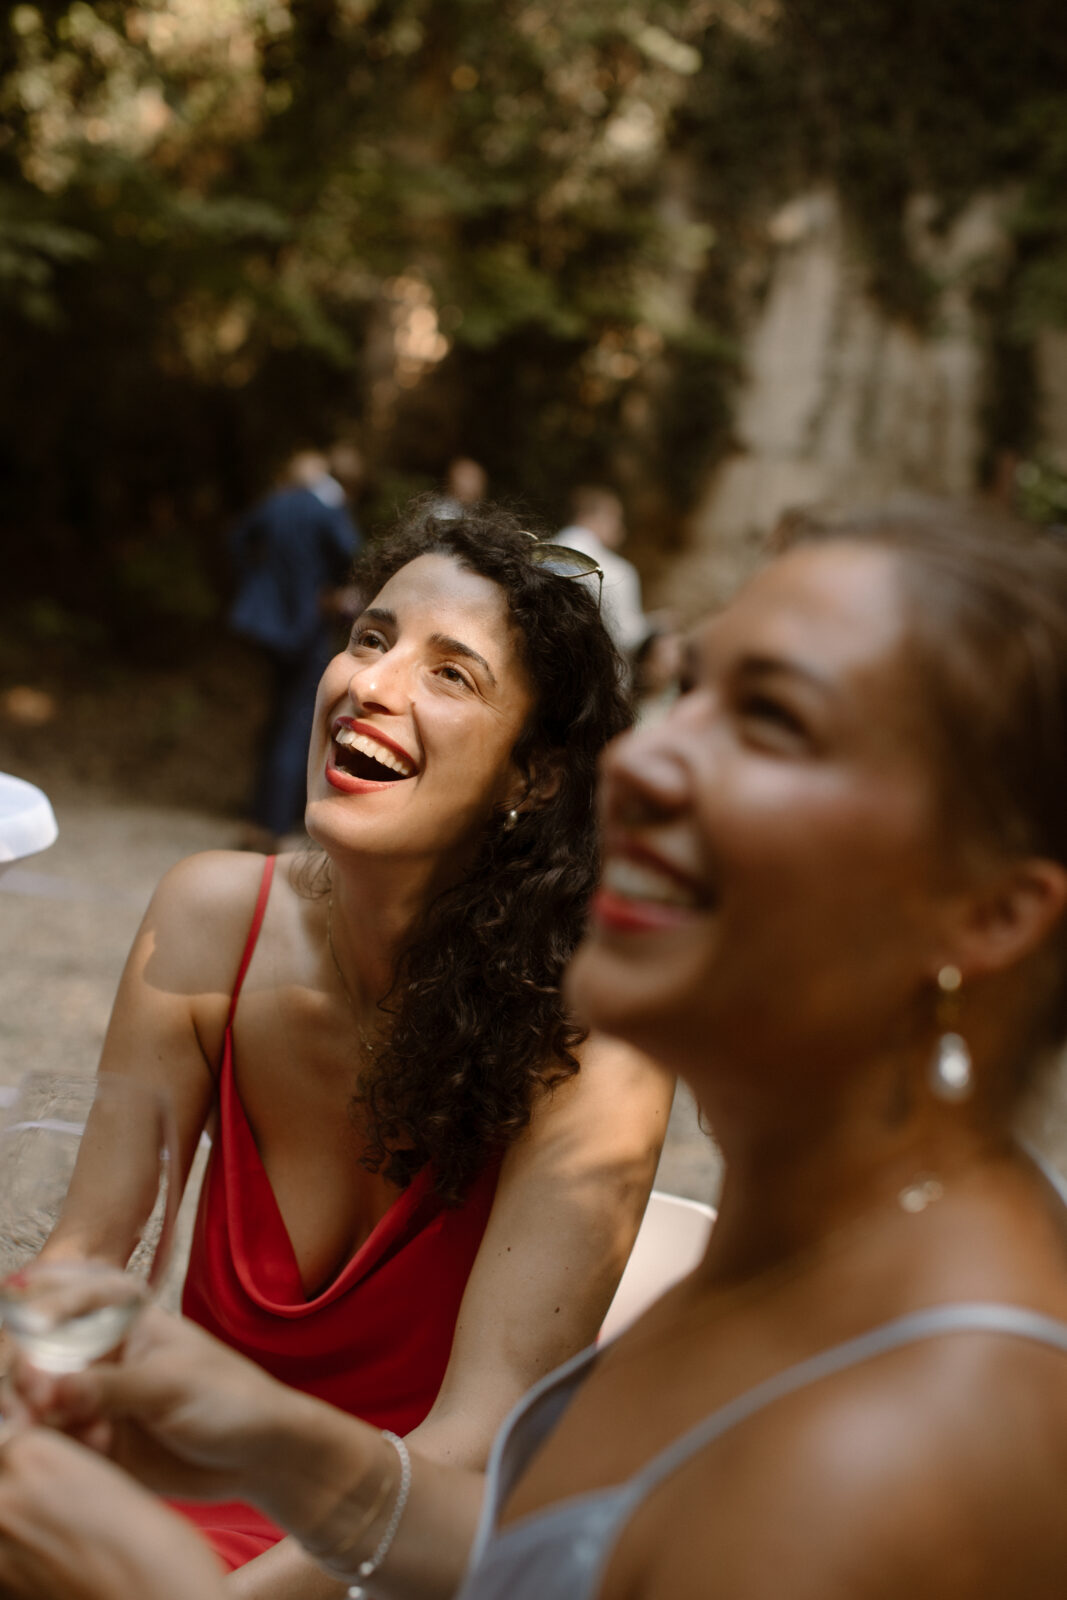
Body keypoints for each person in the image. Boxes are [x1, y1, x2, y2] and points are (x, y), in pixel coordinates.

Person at [7, 502, 1067, 1599]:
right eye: (686, 692)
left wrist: (154, 1587)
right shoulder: (796, 1251)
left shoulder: (936, 1421)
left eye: (772, 722)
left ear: (986, 913)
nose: (644, 759)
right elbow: (550, 1549)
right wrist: (273, 1438)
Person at [21, 503, 671, 1595]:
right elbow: (81, 1256)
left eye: (450, 673)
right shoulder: (206, 916)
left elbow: (473, 1444)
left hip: (391, 1553)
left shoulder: (597, 1043)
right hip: (167, 1483)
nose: (370, 683)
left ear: (534, 777)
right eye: (370, 636)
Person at [227, 448, 364, 851]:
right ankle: (271, 825)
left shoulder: (280, 500)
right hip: (304, 628)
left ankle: (259, 816)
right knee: (296, 722)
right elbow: (353, 557)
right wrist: (333, 596)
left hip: (265, 627)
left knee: (277, 718)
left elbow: (238, 538)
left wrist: (255, 584)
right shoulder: (329, 509)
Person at [554, 486, 648, 659]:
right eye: (616, 519)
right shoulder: (620, 570)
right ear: (587, 517)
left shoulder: (542, 552)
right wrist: (656, 628)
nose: (621, 529)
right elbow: (626, 635)